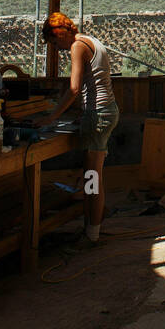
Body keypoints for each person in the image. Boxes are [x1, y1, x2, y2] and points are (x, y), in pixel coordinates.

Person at [37, 12, 119, 245]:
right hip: (106, 110)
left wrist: (52, 117)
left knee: (92, 177)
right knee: (94, 176)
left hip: (97, 114)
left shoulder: (77, 47)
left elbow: (73, 88)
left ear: (60, 33)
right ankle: (95, 222)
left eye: (55, 42)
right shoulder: (92, 41)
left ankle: (91, 234)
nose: (57, 48)